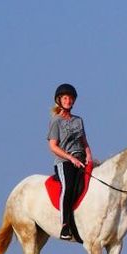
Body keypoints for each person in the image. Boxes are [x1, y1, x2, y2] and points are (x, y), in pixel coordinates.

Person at [48, 83, 93, 242]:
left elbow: (84, 141)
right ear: (59, 100)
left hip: (81, 160)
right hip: (64, 161)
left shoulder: (78, 121)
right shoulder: (56, 121)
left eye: (70, 98)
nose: (68, 101)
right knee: (68, 187)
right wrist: (71, 158)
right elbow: (53, 146)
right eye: (65, 98)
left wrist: (89, 155)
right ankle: (65, 225)